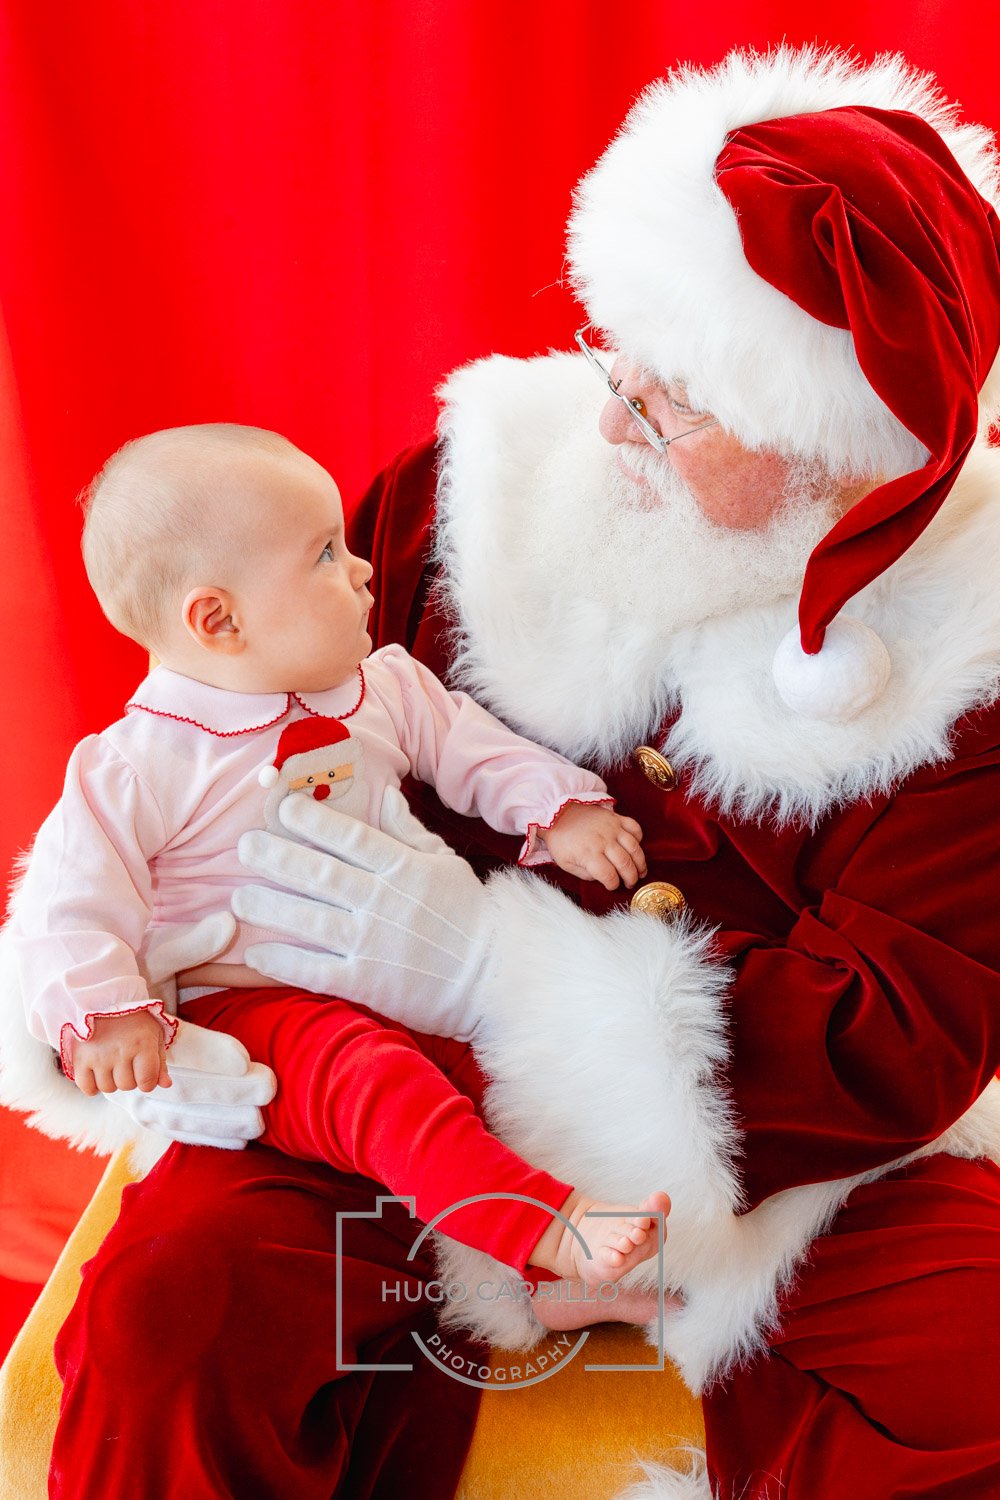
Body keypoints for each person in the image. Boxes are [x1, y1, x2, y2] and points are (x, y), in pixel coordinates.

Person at [2, 43, 1000, 1500]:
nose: (609, 419)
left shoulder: (973, 655)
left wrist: (495, 973)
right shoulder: (476, 493)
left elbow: (893, 1038)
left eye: (669, 400)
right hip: (364, 1090)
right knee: (180, 1309)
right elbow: (217, 744)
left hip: (787, 1169)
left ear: (830, 447)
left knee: (974, 1362)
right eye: (616, 360)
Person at [8, 421, 670, 1330]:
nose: (362, 571)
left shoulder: (381, 688)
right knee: (379, 1087)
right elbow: (67, 902)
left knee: (496, 1079)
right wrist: (106, 1014)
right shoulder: (137, 764)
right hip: (253, 1007)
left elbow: (471, 748)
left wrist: (557, 808)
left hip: (402, 971)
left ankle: (532, 1286)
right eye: (325, 553)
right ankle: (552, 1234)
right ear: (218, 619)